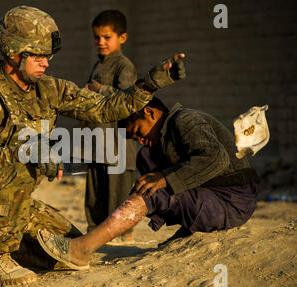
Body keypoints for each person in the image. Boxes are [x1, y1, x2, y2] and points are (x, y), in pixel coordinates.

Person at [0, 6, 186, 286]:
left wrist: (150, 84)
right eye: (39, 55)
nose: (46, 62)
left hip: (10, 199)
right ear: (13, 51)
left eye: (49, 55)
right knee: (22, 157)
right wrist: (31, 148)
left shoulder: (48, 88)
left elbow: (104, 108)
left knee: (69, 249)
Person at [36, 97, 258, 271]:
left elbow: (217, 159)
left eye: (137, 131)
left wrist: (163, 179)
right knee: (146, 157)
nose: (139, 139)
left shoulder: (186, 120)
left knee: (154, 190)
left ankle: (81, 251)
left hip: (233, 201)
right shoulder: (163, 136)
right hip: (213, 197)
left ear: (149, 112)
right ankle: (190, 226)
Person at [82, 10, 139, 245]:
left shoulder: (124, 66)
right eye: (97, 37)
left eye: (107, 37)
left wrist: (98, 89)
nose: (101, 42)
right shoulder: (99, 64)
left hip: (118, 144)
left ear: (122, 38)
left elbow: (129, 100)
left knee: (118, 195)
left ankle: (122, 235)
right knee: (95, 195)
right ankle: (95, 235)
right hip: (98, 142)